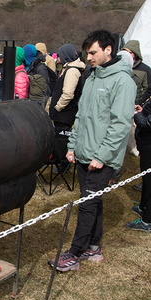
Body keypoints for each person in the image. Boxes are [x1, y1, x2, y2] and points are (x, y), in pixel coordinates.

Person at [49, 30, 136, 272]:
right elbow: (81, 115)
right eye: (87, 53)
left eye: (93, 52)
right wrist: (72, 145)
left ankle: (74, 254)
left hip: (102, 158)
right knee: (93, 202)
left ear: (109, 50)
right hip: (84, 153)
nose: (89, 57)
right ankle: (93, 247)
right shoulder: (92, 77)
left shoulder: (122, 81)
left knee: (86, 204)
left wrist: (102, 156)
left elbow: (120, 124)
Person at [49, 44, 85, 172]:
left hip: (65, 113)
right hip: (63, 113)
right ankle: (61, 162)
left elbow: (68, 93)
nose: (57, 57)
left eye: (59, 55)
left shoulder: (72, 71)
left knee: (62, 139)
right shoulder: (68, 69)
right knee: (60, 138)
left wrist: (57, 108)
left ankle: (63, 164)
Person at [125, 100, 151, 232]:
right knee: (146, 180)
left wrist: (137, 114)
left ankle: (147, 221)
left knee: (150, 182)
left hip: (149, 145)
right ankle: (143, 207)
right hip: (146, 145)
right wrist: (144, 110)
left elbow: (147, 123)